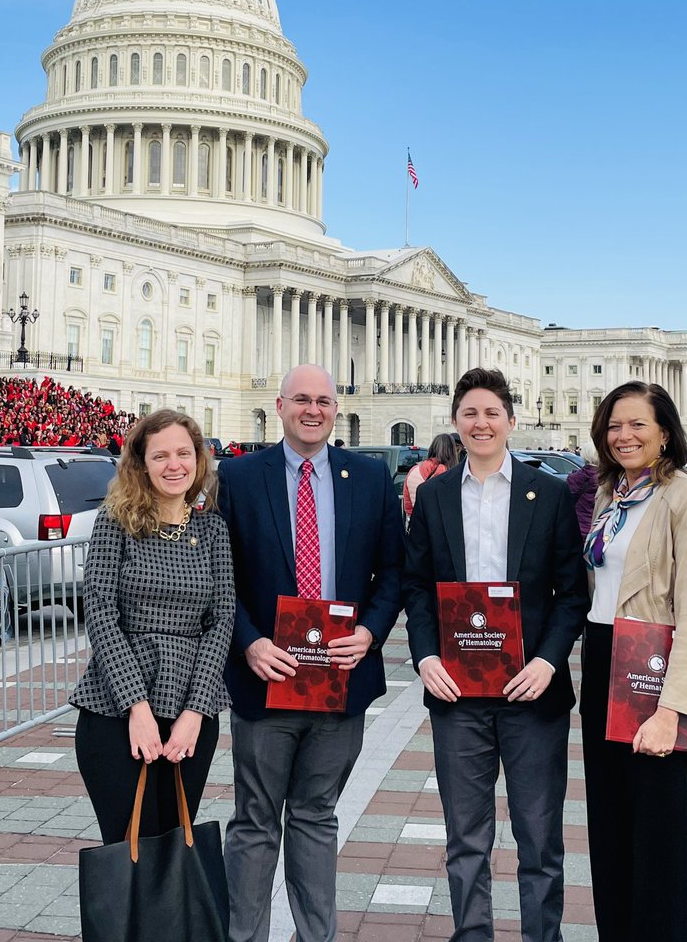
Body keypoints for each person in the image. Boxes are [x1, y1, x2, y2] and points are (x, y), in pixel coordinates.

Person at [217, 364, 404, 942]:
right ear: (279, 406)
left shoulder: (369, 478)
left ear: (336, 407)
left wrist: (371, 632)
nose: (313, 410)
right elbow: (221, 578)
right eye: (301, 399)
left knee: (316, 815)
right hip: (266, 675)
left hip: (339, 677)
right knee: (254, 821)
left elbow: (395, 572)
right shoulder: (240, 477)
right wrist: (249, 643)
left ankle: (314, 937)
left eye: (323, 400)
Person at [404, 367, 588, 942]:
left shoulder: (550, 493)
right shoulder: (434, 495)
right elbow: (417, 587)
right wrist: (425, 657)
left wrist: (548, 661)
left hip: (531, 694)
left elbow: (571, 593)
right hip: (457, 694)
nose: (480, 423)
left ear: (511, 420)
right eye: (470, 413)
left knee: (539, 837)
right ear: (455, 422)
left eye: (491, 413)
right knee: (466, 839)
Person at [580, 381, 687, 942]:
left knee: (660, 839)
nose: (624, 435)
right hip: (606, 664)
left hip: (660, 675)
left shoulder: (686, 498)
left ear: (665, 432)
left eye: (638, 424)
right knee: (611, 830)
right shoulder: (613, 495)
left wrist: (675, 709)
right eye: (614, 425)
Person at [70, 409, 235, 845]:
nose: (174, 464)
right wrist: (136, 709)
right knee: (128, 852)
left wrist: (195, 712)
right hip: (115, 710)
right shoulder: (114, 523)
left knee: (173, 851)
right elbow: (101, 614)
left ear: (199, 461)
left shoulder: (213, 530)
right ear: (141, 464)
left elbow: (221, 621)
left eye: (184, 453)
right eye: (160, 455)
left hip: (190, 712)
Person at [402, 432, 459, 517]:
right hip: (437, 524)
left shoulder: (414, 469)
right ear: (452, 451)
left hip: (417, 521)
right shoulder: (446, 471)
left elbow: (407, 505)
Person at [566, 438, 599, 542]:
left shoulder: (574, 478)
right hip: (600, 529)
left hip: (578, 528)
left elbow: (567, 503)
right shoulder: (610, 478)